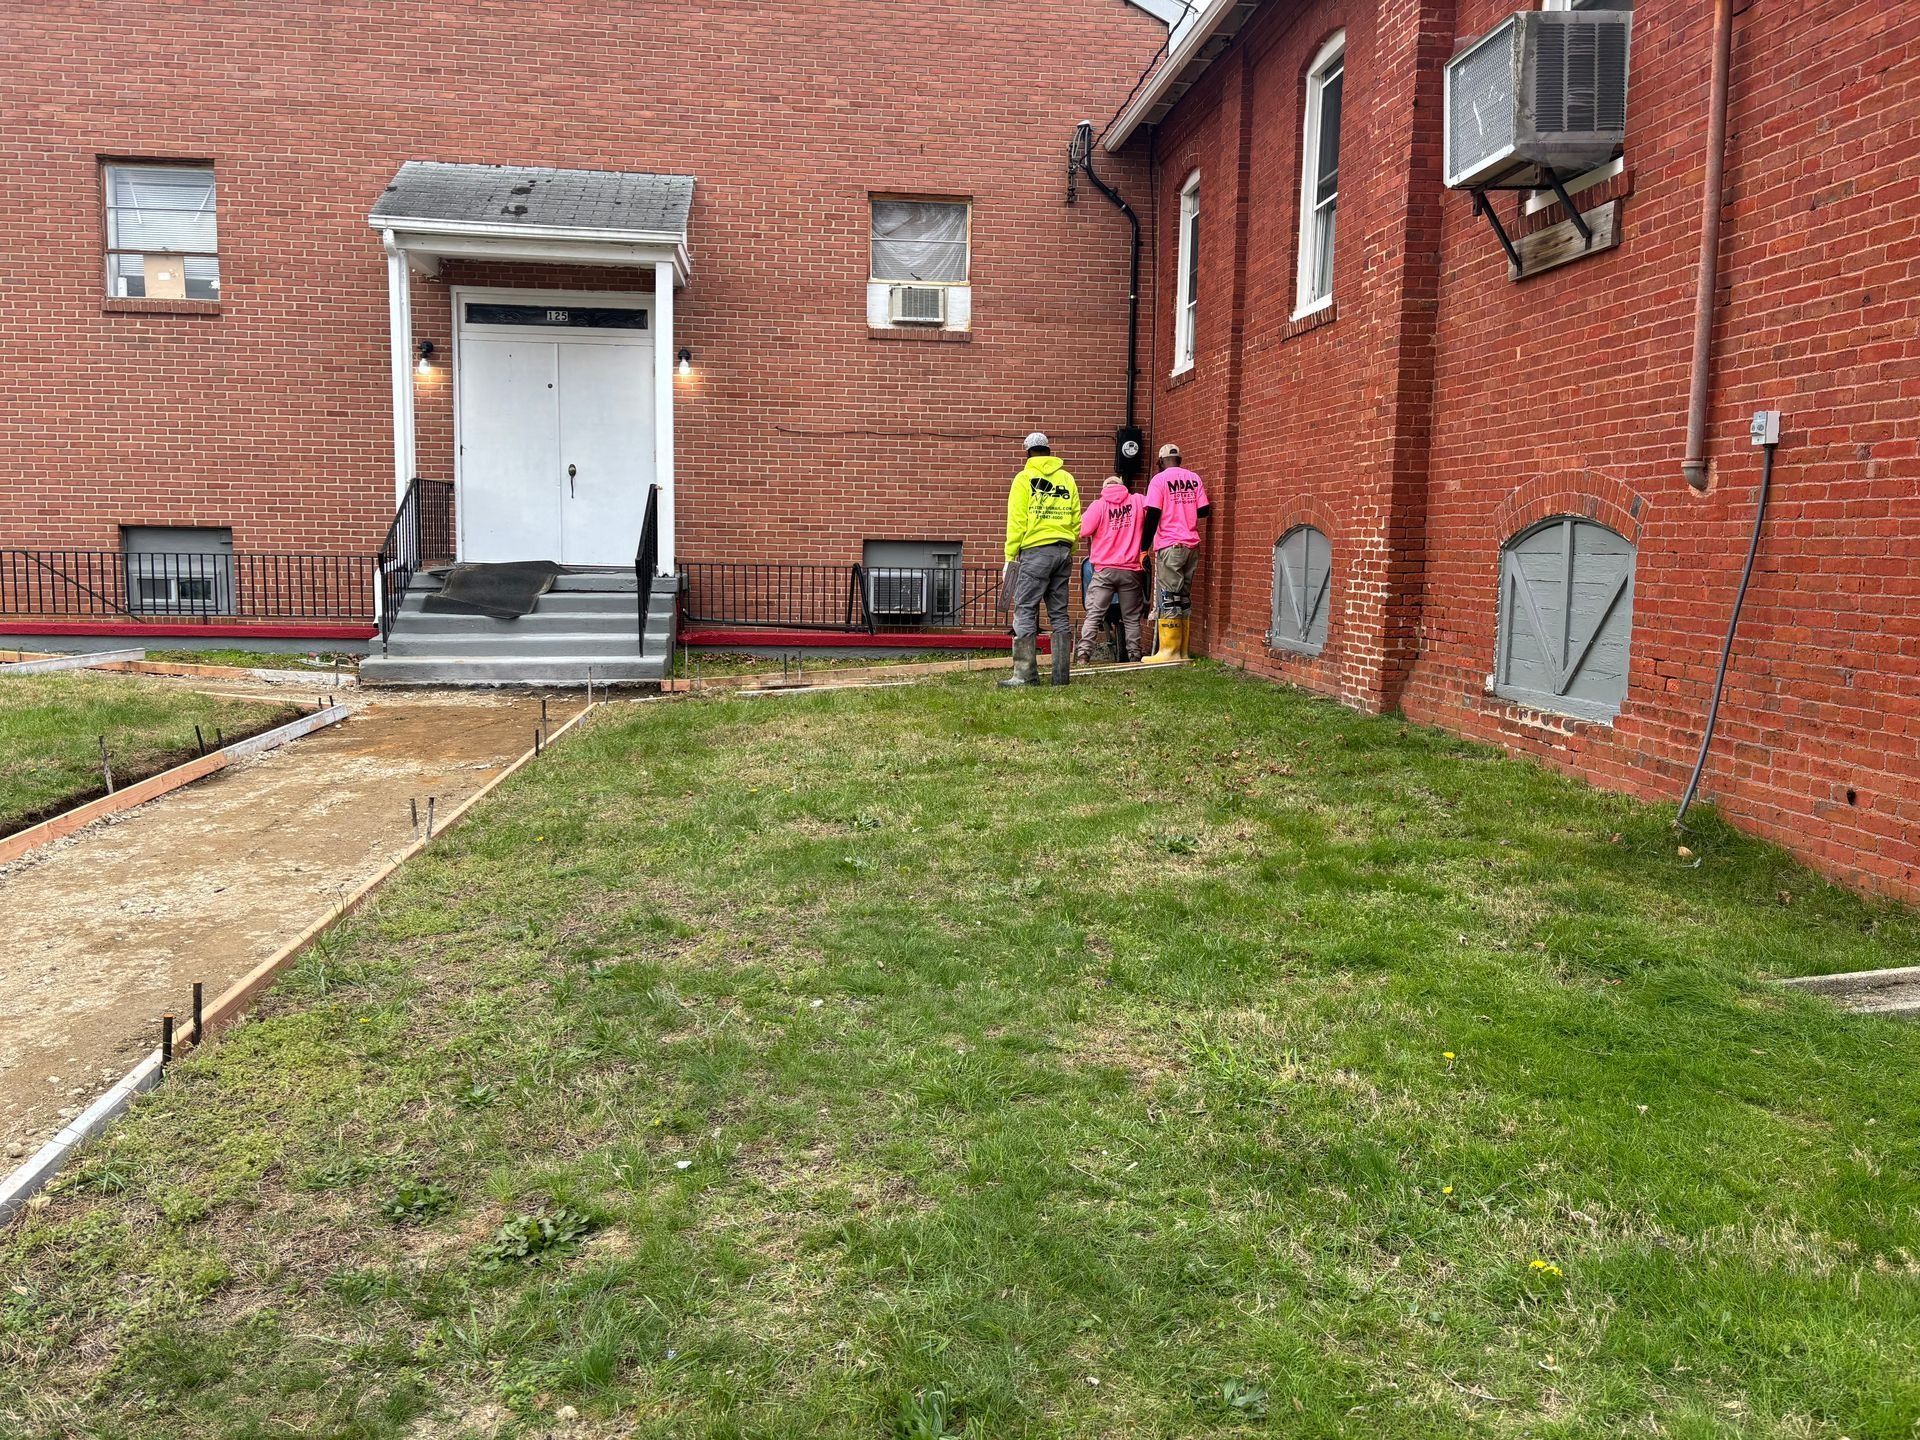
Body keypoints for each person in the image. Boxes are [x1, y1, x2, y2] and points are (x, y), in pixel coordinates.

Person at [1000, 432, 1081, 687]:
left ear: (1027, 452)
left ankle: (1024, 676)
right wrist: (1070, 548)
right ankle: (1061, 677)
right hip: (1063, 549)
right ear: (1048, 450)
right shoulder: (1067, 478)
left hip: (1035, 551)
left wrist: (1010, 555)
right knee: (1059, 615)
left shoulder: (1024, 478)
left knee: (1025, 609)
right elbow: (1076, 518)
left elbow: (1017, 521)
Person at [1140, 442, 1211, 664]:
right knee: (1183, 598)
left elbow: (1152, 514)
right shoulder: (1194, 478)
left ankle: (1168, 652)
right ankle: (1183, 652)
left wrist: (1144, 548)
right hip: (1191, 545)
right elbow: (1204, 510)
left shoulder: (1159, 480)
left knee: (1169, 596)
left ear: (1161, 462)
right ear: (1179, 460)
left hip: (1171, 545)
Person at [1074, 475, 1149, 664]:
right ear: (1122, 486)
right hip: (1131, 570)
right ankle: (1134, 655)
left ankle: (1083, 655)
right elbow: (1154, 516)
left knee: (1094, 614)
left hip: (1104, 570)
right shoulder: (1138, 501)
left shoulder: (1098, 506)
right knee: (1131, 617)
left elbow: (1082, 530)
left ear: (1104, 488)